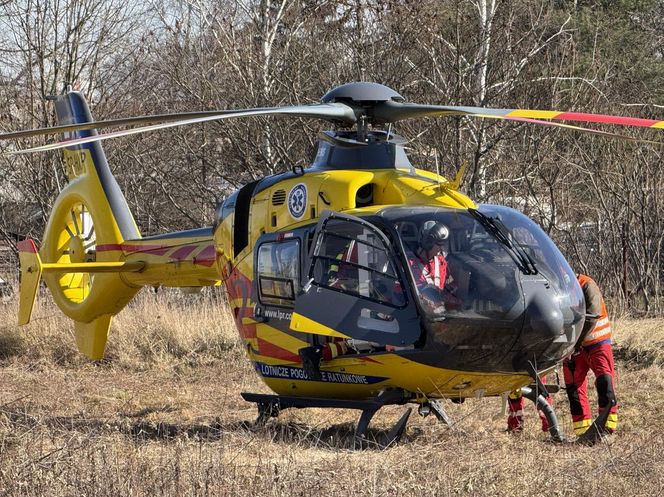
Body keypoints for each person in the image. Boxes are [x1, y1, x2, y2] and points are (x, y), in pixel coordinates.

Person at [563, 273, 618, 436]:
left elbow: (592, 315)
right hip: (574, 345)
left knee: (604, 382)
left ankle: (606, 428)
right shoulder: (559, 288)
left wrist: (574, 343)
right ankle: (582, 429)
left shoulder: (587, 284)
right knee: (573, 386)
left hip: (597, 342)